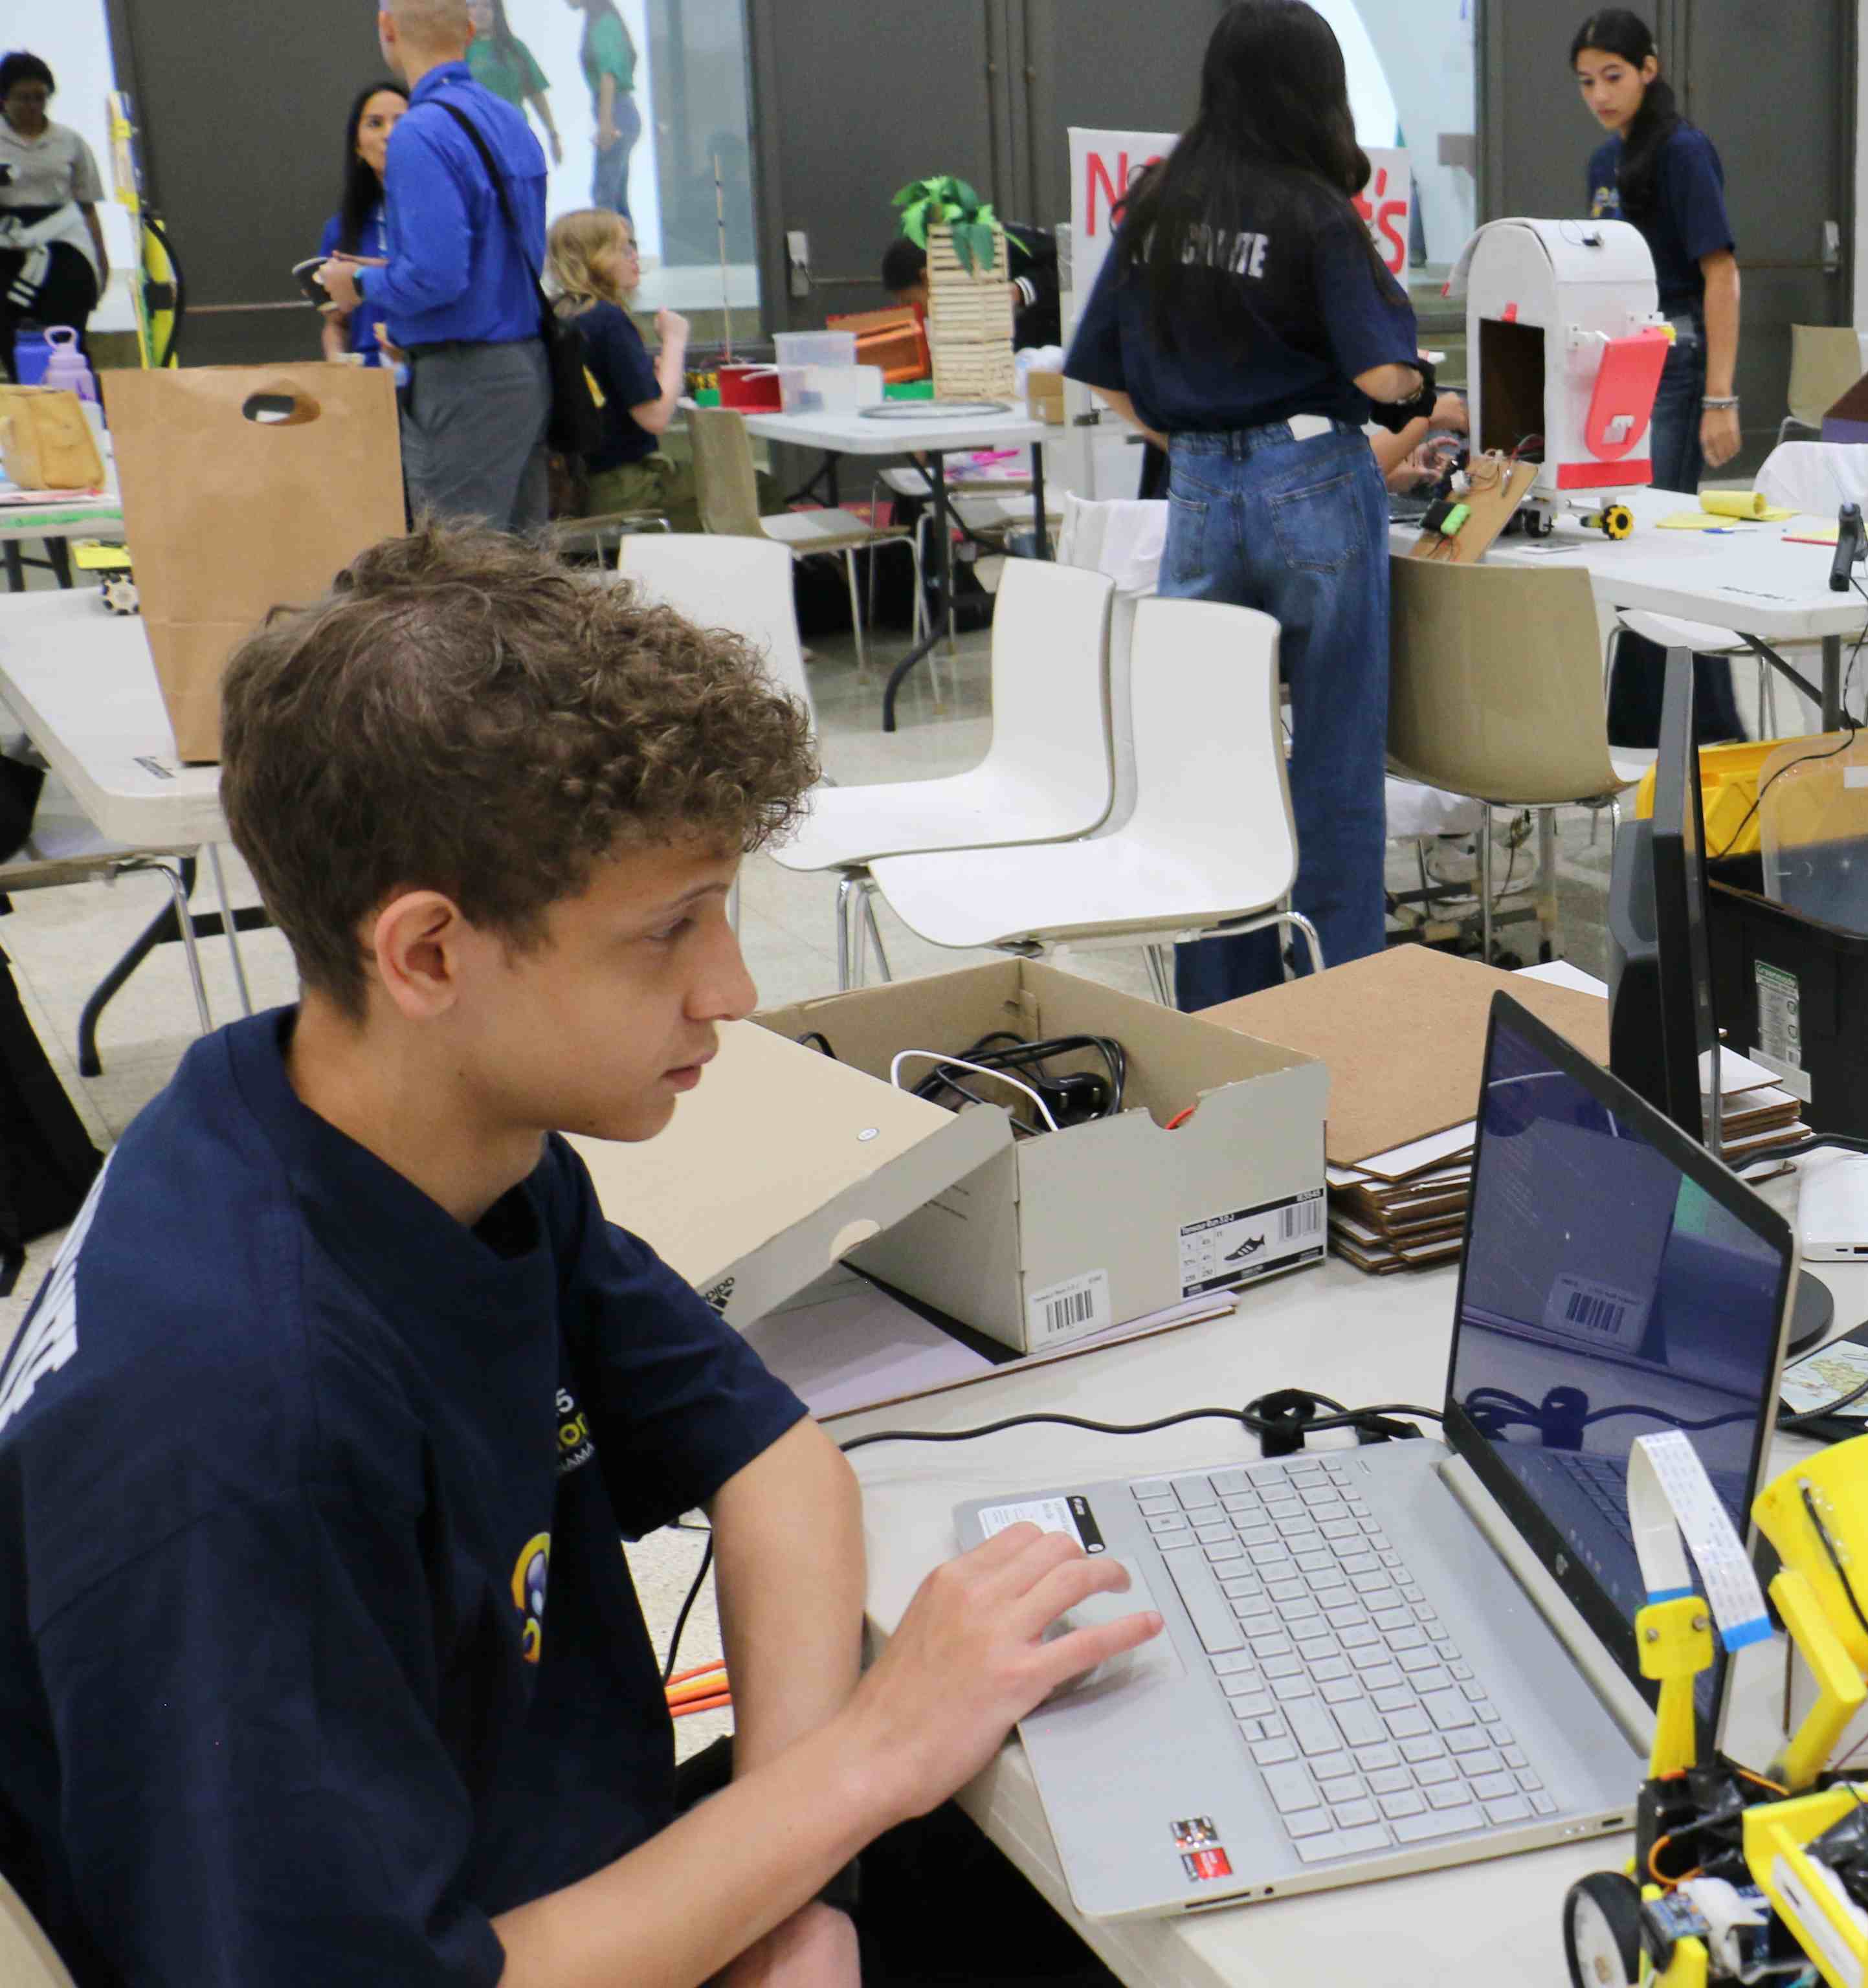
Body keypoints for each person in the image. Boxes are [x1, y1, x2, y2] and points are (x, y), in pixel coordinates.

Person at [0, 525, 1161, 1987]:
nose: (732, 988)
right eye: (669, 929)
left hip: (583, 1877)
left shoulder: (416, 1131)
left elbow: (774, 1459)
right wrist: (856, 1766)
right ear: (427, 953)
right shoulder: (236, 1415)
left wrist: (802, 1871)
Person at [1063, 0, 1427, 1008]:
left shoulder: (1158, 200)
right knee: (1337, 761)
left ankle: (1218, 1014)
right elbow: (1388, 372)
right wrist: (1428, 393)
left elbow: (1102, 372)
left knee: (1205, 760)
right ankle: (1339, 1004)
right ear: (1318, 90)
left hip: (1200, 488)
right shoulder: (1315, 208)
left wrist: (1203, 447)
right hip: (1312, 476)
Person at [1573, 8, 1748, 747]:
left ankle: (1709, 732)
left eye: (1614, 75)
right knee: (1631, 543)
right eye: (1586, 82)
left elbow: (1722, 275)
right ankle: (1644, 728)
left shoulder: (1683, 152)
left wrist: (1720, 396)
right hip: (1619, 356)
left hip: (1676, 355)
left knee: (1663, 543)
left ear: (1649, 69)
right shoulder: (1601, 165)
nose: (1601, 94)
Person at [323, 0, 555, 535]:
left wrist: (357, 282)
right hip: (525, 366)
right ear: (471, 30)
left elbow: (437, 278)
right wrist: (393, 270)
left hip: (463, 379)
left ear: (387, 29)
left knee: (461, 576)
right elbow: (495, 258)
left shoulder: (421, 133)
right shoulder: (506, 117)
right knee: (523, 576)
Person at [546, 207, 693, 529]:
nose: (634, 257)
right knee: (756, 488)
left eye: (634, 246)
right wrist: (674, 342)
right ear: (593, 258)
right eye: (623, 249)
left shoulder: (560, 316)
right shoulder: (608, 320)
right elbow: (654, 417)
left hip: (577, 487)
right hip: (626, 488)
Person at [0, 52, 110, 368]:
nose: (32, 106)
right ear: (4, 98)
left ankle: (80, 407)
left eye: (40, 98)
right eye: (23, 98)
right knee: (12, 341)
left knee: (67, 340)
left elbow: (87, 207)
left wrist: (102, 261)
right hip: (9, 245)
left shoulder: (70, 142)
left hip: (64, 244)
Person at [320, 82, 412, 366]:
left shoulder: (441, 215)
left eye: (401, 121)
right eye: (375, 124)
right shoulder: (341, 229)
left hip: (433, 369)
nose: (389, 134)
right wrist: (336, 356)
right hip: (369, 378)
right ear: (358, 146)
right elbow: (338, 323)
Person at [884, 226, 1062, 350]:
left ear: (926, 277)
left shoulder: (992, 243)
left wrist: (1019, 290)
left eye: (911, 302)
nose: (916, 313)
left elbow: (1066, 263)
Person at [467, 0, 564, 167]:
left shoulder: (515, 48)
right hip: (476, 140)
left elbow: (536, 93)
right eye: (473, 5)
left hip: (515, 136)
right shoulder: (459, 51)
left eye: (486, 6)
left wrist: (553, 135)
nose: (479, 11)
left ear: (497, 11)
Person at [569, 0, 641, 221]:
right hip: (619, 111)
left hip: (615, 111)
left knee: (605, 196)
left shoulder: (603, 23)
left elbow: (608, 75)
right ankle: (626, 251)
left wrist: (606, 123)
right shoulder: (600, 20)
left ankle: (613, 252)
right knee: (616, 197)